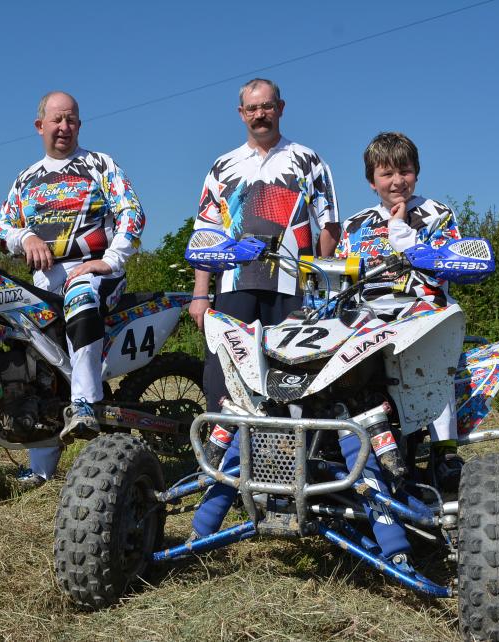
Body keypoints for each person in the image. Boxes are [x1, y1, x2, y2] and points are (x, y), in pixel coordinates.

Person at [188, 78, 340, 537]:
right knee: (226, 380)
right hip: (234, 285)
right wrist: (200, 292)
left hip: (293, 286)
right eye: (252, 109)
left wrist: (322, 285)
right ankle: (226, 479)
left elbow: (328, 224)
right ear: (240, 114)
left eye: (267, 107)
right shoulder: (222, 165)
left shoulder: (307, 159)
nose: (260, 115)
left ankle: (289, 484)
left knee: (292, 381)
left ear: (281, 108)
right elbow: (206, 234)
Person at [0, 91, 146, 488]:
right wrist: (25, 237)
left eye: (72, 120)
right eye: (57, 120)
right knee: (31, 354)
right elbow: (2, 226)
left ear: (80, 124)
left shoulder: (100, 165)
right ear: (39, 125)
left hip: (98, 277)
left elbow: (132, 211)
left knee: (80, 289)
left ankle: (86, 404)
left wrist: (111, 260)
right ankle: (41, 466)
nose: (64, 128)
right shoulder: (26, 179)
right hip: (45, 282)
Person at [334, 131, 463, 485]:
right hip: (367, 313)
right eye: (386, 174)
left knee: (433, 363)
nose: (396, 181)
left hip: (424, 307)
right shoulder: (356, 224)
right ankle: (338, 443)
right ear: (371, 181)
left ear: (416, 172)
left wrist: (407, 234)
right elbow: (340, 273)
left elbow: (450, 259)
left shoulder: (437, 213)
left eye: (404, 171)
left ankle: (444, 451)